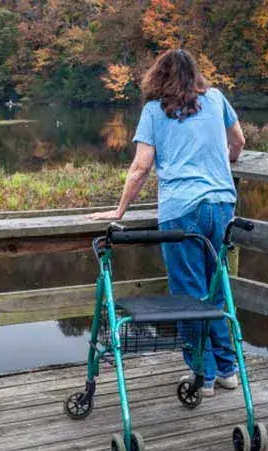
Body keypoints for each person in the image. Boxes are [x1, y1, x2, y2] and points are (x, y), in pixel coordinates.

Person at [87, 49, 246, 397]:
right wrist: (227, 162)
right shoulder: (216, 99)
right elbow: (238, 141)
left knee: (189, 294)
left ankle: (203, 376)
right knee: (216, 290)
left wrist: (119, 211)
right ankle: (228, 370)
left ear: (158, 77)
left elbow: (141, 166)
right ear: (195, 74)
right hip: (222, 204)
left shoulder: (154, 111)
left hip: (182, 210)